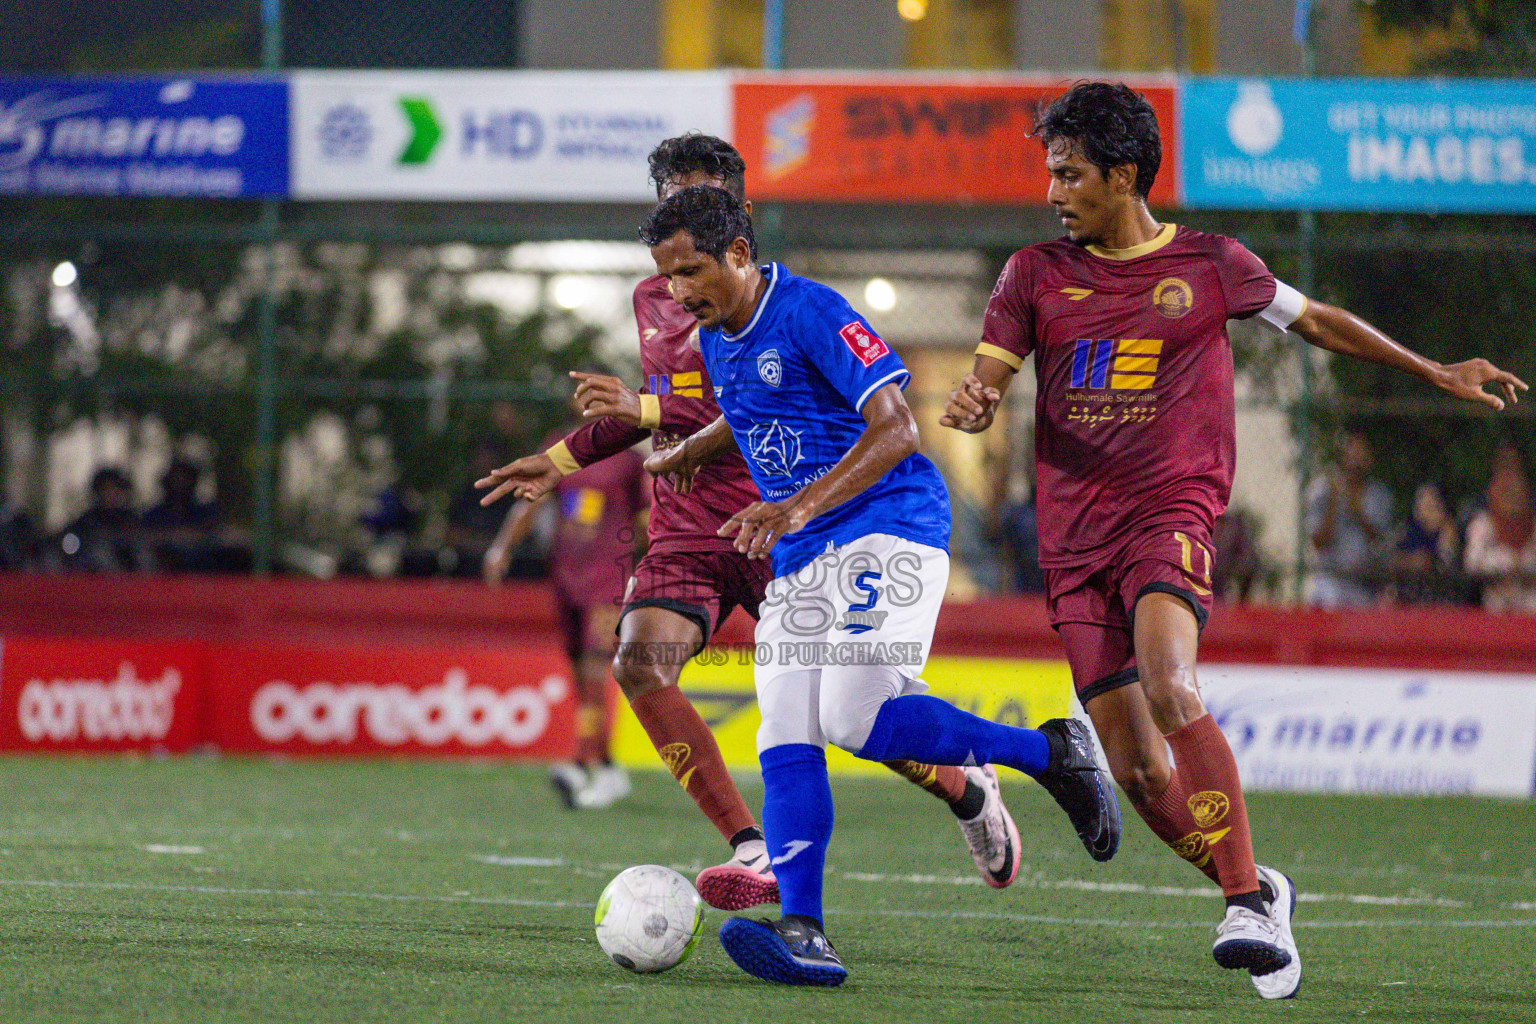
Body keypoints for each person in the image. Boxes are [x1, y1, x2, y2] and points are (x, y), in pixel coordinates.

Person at [940, 81, 1528, 1001]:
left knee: (1173, 680)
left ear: (1123, 174)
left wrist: (1433, 370)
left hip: (1169, 511)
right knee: (1136, 772)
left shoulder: (1212, 264)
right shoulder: (1033, 274)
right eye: (1050, 173)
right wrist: (976, 401)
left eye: (1069, 174)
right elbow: (988, 379)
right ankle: (1256, 888)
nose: (1053, 191)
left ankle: (1247, 908)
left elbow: (1317, 321)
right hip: (1073, 539)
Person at [478, 134, 1027, 914]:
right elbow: (658, 411)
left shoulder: (776, 301)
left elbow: (734, 408)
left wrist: (644, 409)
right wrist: (561, 461)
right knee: (640, 662)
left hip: (787, 523)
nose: (683, 212)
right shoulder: (657, 296)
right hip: (689, 530)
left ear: (738, 213)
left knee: (850, 716)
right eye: (670, 195)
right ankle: (749, 845)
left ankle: (965, 786)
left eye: (701, 193)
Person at [641, 184, 1119, 987]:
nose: (680, 294)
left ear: (736, 255)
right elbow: (759, 406)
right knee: (784, 730)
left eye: (691, 272)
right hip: (802, 550)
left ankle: (1051, 753)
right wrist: (701, 448)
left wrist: (794, 505)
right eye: (667, 279)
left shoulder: (813, 311)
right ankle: (806, 932)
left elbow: (897, 428)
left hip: (888, 527)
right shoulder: (718, 336)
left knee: (854, 717)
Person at [485, 418, 647, 810]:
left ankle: (580, 762)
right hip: (568, 574)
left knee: (595, 666)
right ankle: (606, 766)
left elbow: (646, 520)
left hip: (609, 576)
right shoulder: (561, 446)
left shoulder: (628, 459)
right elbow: (533, 499)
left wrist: (642, 566)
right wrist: (502, 547)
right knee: (578, 669)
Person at [1305, 431, 1395, 608]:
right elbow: (1319, 543)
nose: (1356, 459)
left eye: (1362, 454)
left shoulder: (1379, 494)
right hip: (1330, 579)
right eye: (1352, 453)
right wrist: (1333, 501)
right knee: (1329, 601)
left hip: (1365, 582)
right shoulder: (1322, 490)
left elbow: (1379, 541)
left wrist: (1357, 512)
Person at [1463, 451, 1536, 613]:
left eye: (1517, 495)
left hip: (1529, 600)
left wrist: (1524, 568)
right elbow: (1471, 564)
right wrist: (1502, 564)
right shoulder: (1482, 524)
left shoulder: (1533, 524)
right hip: (1494, 599)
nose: (1512, 499)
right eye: (1506, 494)